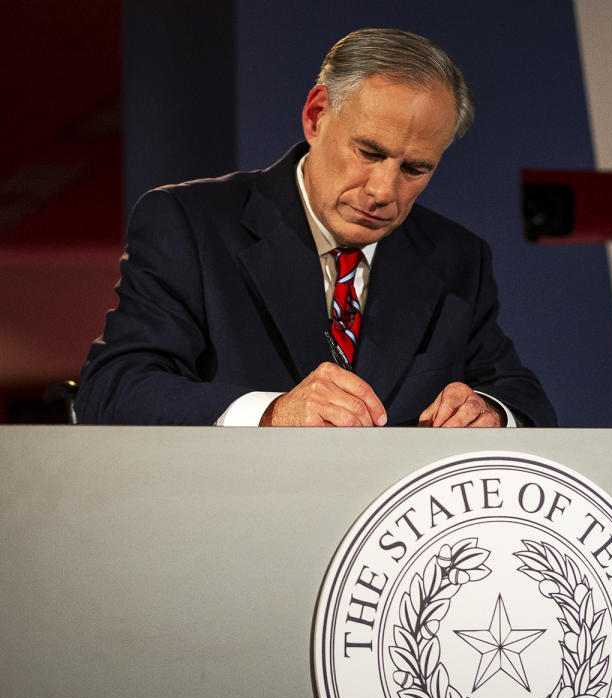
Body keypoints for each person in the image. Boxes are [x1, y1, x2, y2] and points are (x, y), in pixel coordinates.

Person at [75, 28, 556, 428]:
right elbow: (115, 389)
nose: (383, 191)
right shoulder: (190, 223)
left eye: (416, 169)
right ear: (316, 115)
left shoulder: (456, 258)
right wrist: (271, 413)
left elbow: (522, 396)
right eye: (369, 153)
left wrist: (490, 411)